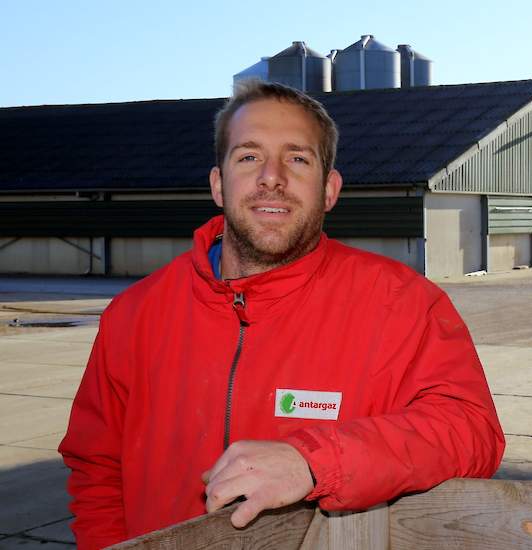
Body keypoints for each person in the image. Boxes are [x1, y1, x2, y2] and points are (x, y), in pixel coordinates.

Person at [58, 81, 505, 550]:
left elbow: (471, 432)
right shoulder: (136, 314)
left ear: (330, 190)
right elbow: (96, 468)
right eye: (249, 156)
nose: (272, 177)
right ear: (218, 184)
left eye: (297, 158)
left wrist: (315, 461)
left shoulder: (402, 303)